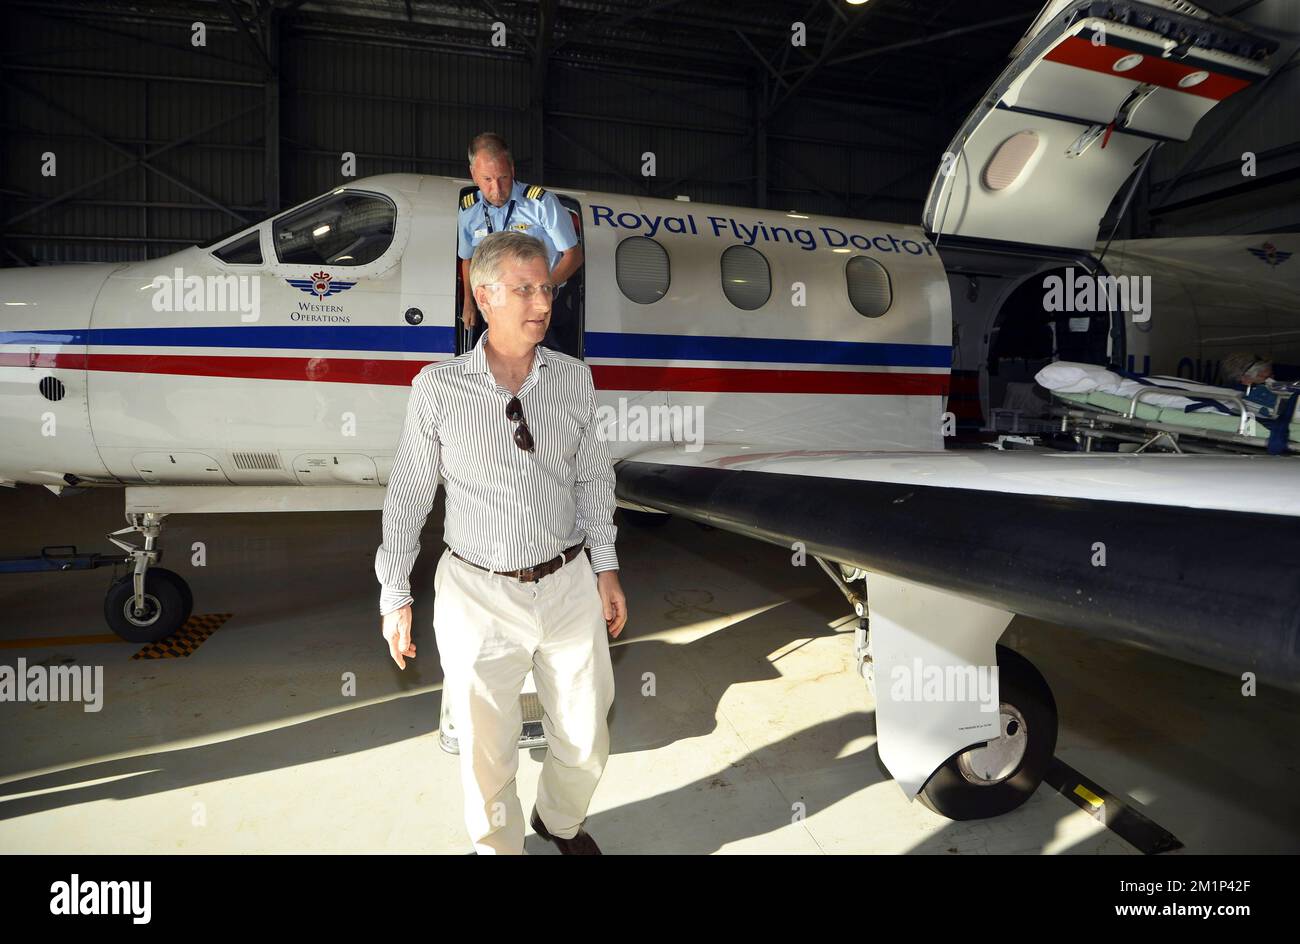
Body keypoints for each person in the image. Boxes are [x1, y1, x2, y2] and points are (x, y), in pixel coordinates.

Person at [375, 231, 626, 855]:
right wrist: (395, 593)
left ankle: (559, 822)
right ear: (483, 296)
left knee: (586, 735)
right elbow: (408, 495)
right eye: (524, 289)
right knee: (486, 751)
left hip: (567, 583)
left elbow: (595, 478)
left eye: (546, 287)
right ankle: (497, 848)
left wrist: (607, 568)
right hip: (476, 593)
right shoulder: (437, 388)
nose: (541, 301)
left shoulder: (575, 380)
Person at [457, 133, 584, 355]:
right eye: (487, 180)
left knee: (548, 374)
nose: (496, 189)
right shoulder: (468, 211)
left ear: (513, 170)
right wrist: (469, 301)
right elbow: (467, 259)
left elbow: (574, 255)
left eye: (503, 178)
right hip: (496, 307)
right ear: (473, 174)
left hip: (542, 307)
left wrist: (543, 290)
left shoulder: (541, 204)